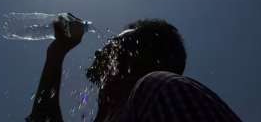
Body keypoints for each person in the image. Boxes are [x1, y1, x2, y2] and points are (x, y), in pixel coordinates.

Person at [27, 15, 242, 122]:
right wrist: (56, 53)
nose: (100, 52)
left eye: (115, 46)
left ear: (141, 57)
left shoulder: (161, 88)